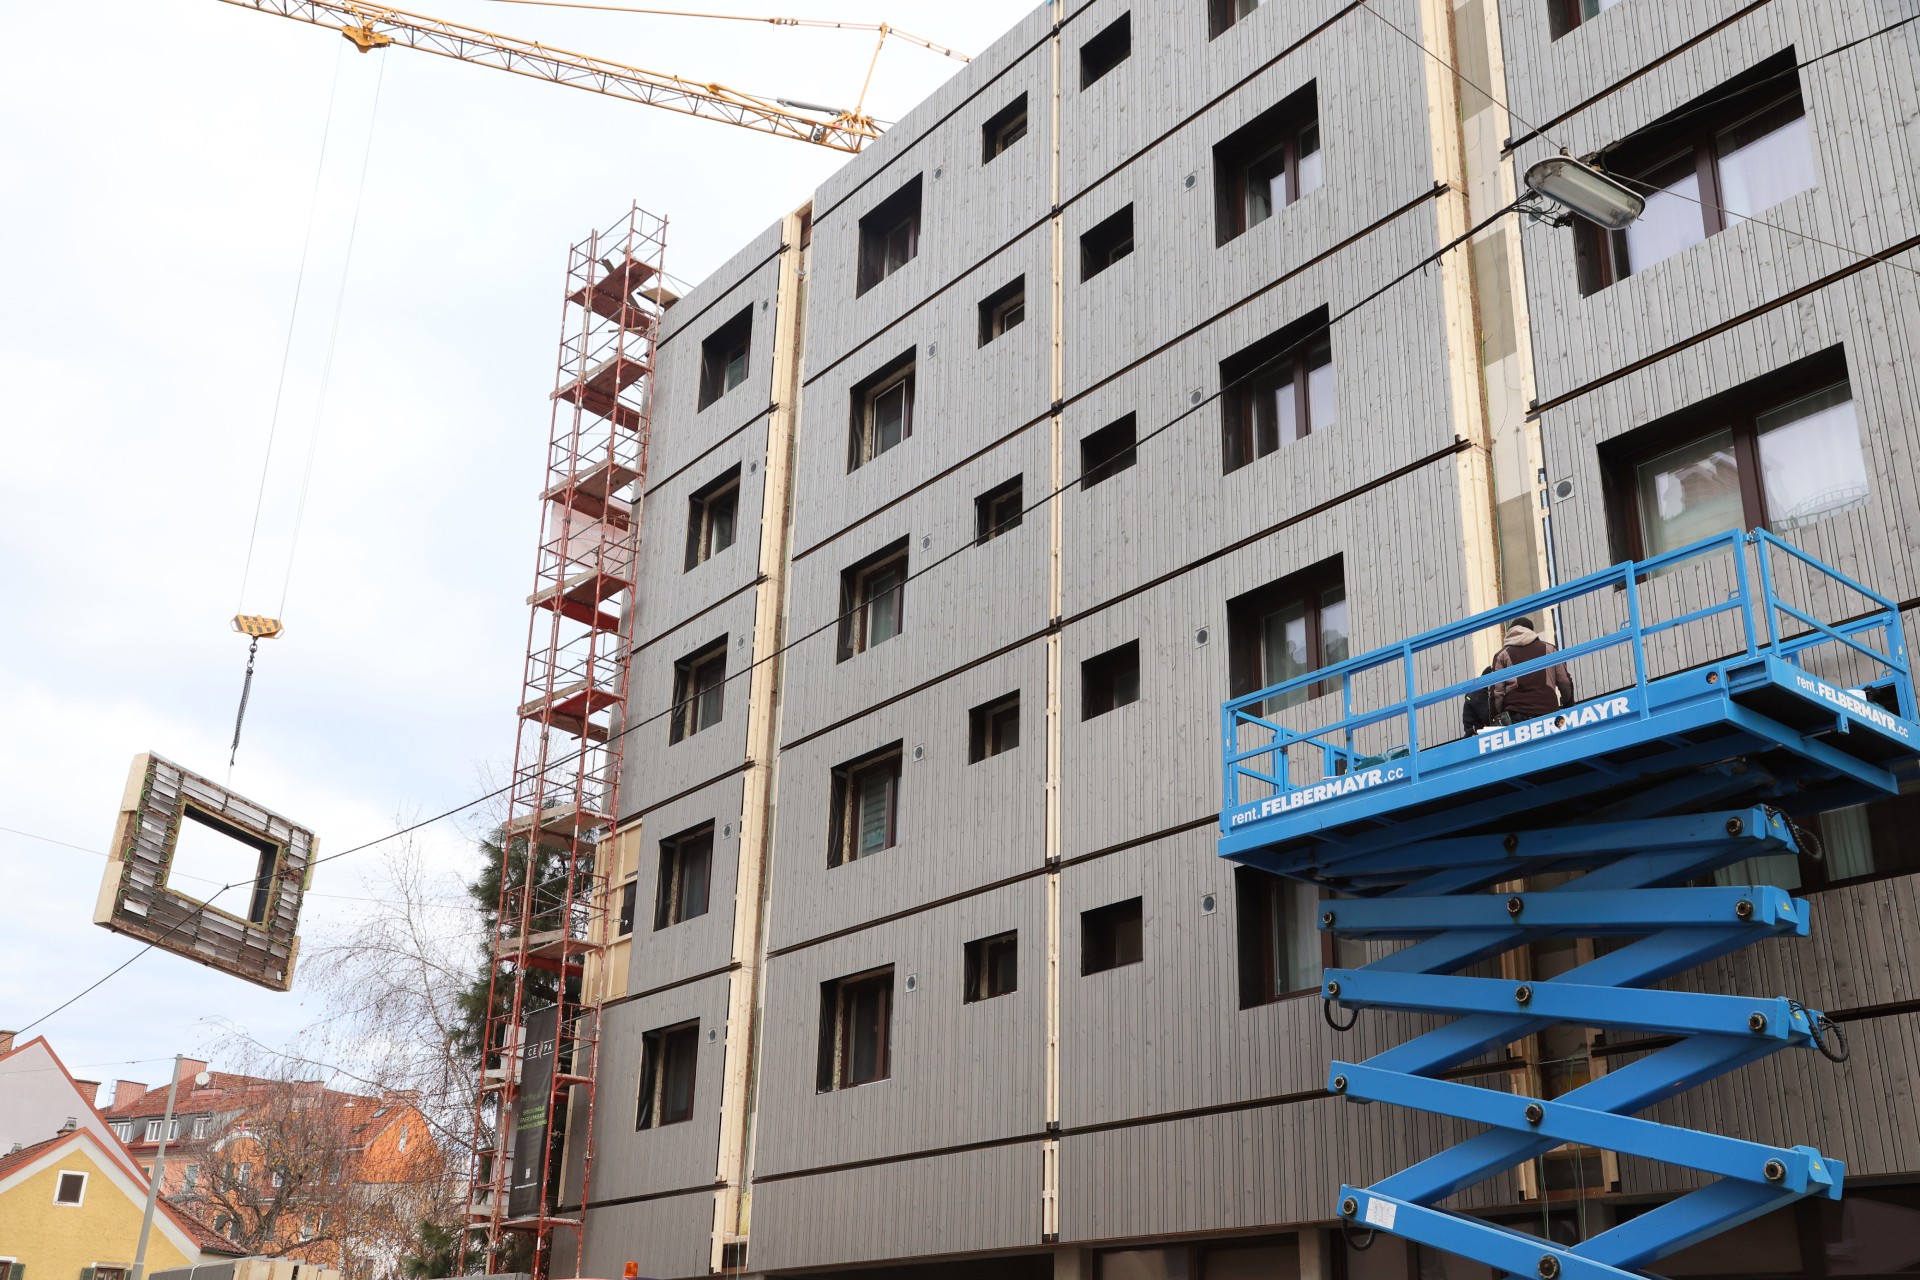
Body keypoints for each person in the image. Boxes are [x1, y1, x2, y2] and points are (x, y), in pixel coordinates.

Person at [1490, 615, 1574, 722]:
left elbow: (1497, 692)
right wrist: (1568, 703)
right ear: (1532, 632)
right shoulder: (1549, 649)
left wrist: (1495, 718)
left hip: (1517, 714)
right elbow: (1564, 681)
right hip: (1548, 711)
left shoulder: (1502, 655)